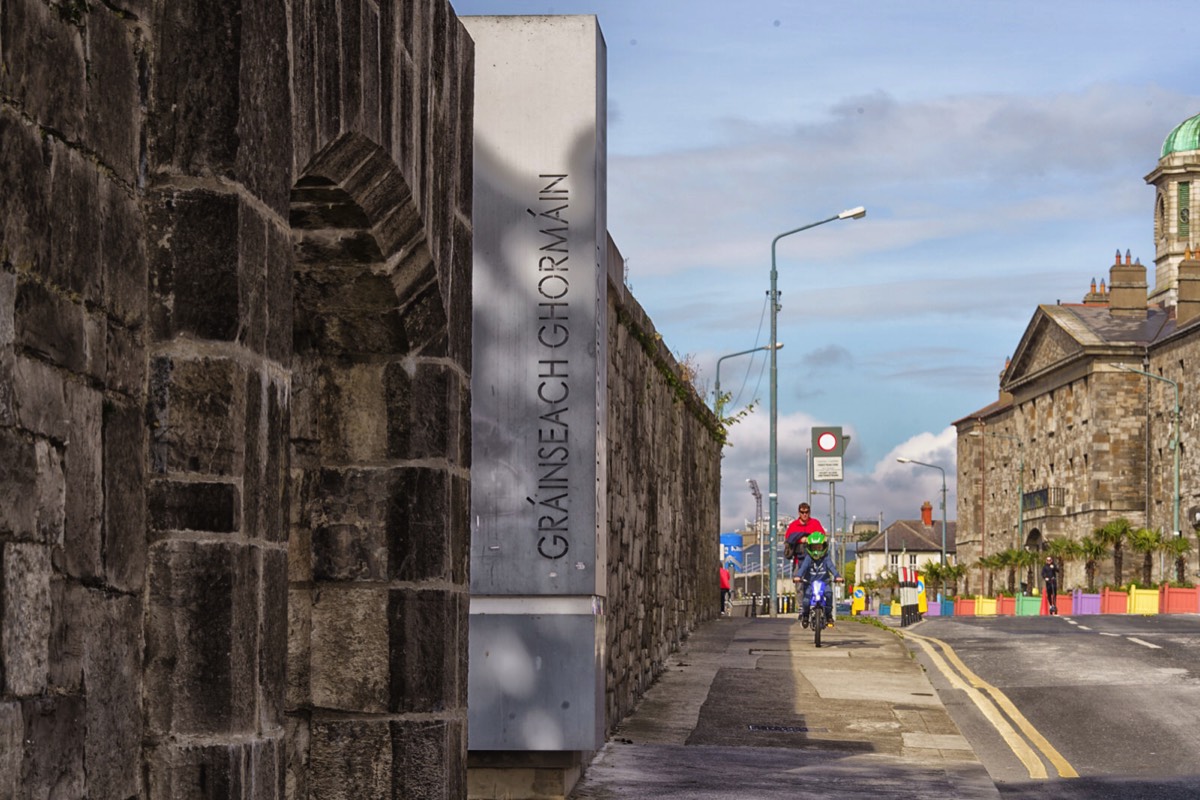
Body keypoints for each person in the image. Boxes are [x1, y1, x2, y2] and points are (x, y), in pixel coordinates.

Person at [794, 532, 842, 628]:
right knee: (806, 601)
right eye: (814, 548)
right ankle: (805, 615)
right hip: (810, 583)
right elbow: (802, 568)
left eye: (819, 547)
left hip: (824, 583)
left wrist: (837, 576)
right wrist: (798, 576)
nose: (816, 551)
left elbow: (831, 567)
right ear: (809, 548)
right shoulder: (808, 558)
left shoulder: (826, 558)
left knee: (828, 594)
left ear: (824, 547)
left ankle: (828, 614)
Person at [784, 503, 826, 585]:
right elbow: (788, 540)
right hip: (798, 560)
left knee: (816, 584)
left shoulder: (815, 523)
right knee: (799, 586)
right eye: (802, 512)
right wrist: (800, 540)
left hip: (814, 560)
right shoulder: (793, 525)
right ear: (799, 513)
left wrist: (809, 539)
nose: (804, 514)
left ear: (809, 512)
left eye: (806, 512)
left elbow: (822, 537)